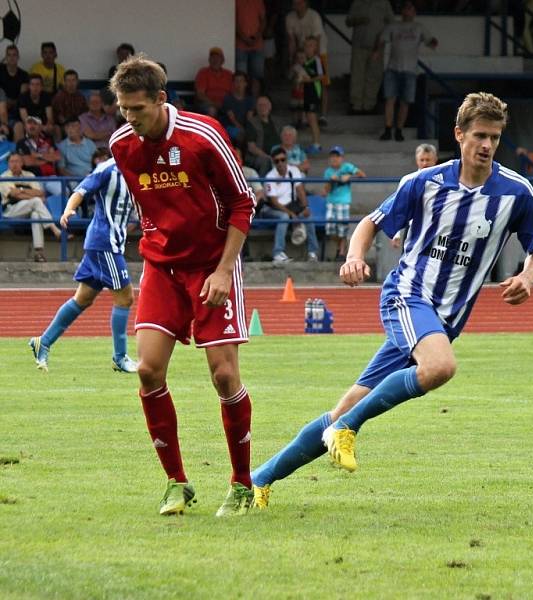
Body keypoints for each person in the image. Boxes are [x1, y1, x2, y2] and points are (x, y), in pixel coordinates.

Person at [249, 92, 533, 509]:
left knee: (342, 408)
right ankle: (347, 430)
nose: (487, 145)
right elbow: (368, 225)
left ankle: (259, 480)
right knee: (440, 366)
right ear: (459, 134)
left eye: (495, 137)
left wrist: (529, 277)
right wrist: (354, 257)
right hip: (407, 295)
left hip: (445, 319)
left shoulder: (516, 193)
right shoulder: (422, 184)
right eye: (479, 135)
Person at [108, 55, 257, 517]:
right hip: (161, 268)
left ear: (160, 99)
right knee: (149, 371)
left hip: (213, 266)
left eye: (138, 109)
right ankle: (176, 482)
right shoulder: (120, 145)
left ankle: (242, 484)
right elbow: (147, 200)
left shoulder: (203, 136)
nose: (130, 119)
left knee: (224, 376)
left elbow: (241, 204)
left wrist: (222, 270)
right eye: (123, 109)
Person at [28, 152, 137, 374]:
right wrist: (69, 208)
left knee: (83, 298)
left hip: (107, 242)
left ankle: (43, 342)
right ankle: (119, 357)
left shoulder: (140, 168)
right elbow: (82, 189)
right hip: (105, 242)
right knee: (125, 298)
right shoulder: (109, 168)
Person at [376, 1, 438, 142]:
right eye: (405, 7)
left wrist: (433, 42)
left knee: (405, 101)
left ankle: (399, 130)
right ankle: (387, 129)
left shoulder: (419, 27)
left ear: (414, 12)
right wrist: (376, 52)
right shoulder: (393, 26)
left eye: (411, 8)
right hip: (392, 68)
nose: (408, 10)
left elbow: (430, 41)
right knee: (390, 99)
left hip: (410, 70)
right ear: (402, 11)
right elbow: (382, 40)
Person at [261, 145, 319, 262]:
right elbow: (274, 202)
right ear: (273, 162)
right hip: (272, 209)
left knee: (308, 216)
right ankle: (278, 253)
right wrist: (291, 214)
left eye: (283, 160)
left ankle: (312, 253)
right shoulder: (270, 177)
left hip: (291, 206)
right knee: (284, 217)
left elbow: (300, 191)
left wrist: (306, 207)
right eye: (277, 161)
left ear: (286, 159)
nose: (280, 163)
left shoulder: (294, 171)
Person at [0, 152, 62, 262]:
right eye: (12, 161)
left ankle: (39, 253)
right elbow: (14, 195)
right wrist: (30, 193)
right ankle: (55, 229)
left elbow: (40, 192)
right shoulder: (3, 177)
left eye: (17, 161)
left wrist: (21, 191)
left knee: (36, 214)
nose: (14, 164)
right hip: (11, 210)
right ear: (8, 163)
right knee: (37, 201)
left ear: (22, 163)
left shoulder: (30, 175)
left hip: (28, 210)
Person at [346, 0, 395, 115]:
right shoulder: (357, 3)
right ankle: (356, 105)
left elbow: (392, 23)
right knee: (357, 74)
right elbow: (348, 21)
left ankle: (369, 105)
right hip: (358, 45)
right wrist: (358, 20)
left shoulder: (384, 3)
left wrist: (383, 39)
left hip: (377, 46)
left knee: (374, 75)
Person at [285, 0, 329, 125]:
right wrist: (291, 58)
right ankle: (302, 115)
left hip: (319, 51)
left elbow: (317, 39)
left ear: (306, 3)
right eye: (295, 2)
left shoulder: (314, 16)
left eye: (300, 2)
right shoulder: (290, 17)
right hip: (302, 52)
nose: (297, 4)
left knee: (322, 83)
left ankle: (323, 115)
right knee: (299, 80)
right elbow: (291, 40)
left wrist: (315, 60)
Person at [390, 142, 437, 249]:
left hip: (436, 231)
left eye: (428, 160)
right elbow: (399, 208)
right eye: (422, 160)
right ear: (417, 160)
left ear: (435, 160)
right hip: (413, 230)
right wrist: (396, 233)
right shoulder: (408, 180)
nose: (425, 163)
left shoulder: (444, 181)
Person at [322, 145, 365, 260]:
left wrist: (349, 176)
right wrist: (331, 180)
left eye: (337, 156)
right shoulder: (328, 171)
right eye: (332, 156)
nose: (335, 159)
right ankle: (340, 247)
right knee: (330, 228)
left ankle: (341, 252)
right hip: (331, 201)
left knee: (342, 227)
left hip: (343, 201)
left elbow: (362, 174)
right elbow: (325, 190)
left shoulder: (347, 167)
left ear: (342, 158)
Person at [235, 0, 266, 94]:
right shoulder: (236, 1)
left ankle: (256, 101)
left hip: (257, 45)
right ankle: (241, 100)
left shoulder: (258, 1)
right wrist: (243, 37)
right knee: (241, 76)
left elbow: (263, 20)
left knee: (257, 75)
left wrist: (257, 36)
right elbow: (233, 21)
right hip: (240, 45)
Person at [245, 96, 280, 175]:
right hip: (256, 157)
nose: (262, 108)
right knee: (265, 161)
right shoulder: (252, 122)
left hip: (276, 154)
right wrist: (269, 157)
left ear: (270, 107)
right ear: (256, 108)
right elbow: (252, 147)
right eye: (260, 105)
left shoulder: (275, 122)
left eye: (265, 105)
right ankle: (262, 185)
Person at [193, 47, 233, 117]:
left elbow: (234, 93)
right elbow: (200, 94)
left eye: (218, 58)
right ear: (209, 60)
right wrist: (214, 104)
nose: (215, 60)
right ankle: (212, 128)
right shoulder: (203, 73)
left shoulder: (229, 74)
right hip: (208, 104)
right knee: (212, 110)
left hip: (226, 104)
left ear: (222, 60)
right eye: (213, 58)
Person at [221, 71, 255, 150]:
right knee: (241, 134)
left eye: (241, 81)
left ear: (246, 83)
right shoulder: (228, 98)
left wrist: (248, 129)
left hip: (244, 127)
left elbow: (249, 117)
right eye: (236, 81)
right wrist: (242, 129)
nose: (239, 84)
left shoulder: (250, 99)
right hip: (229, 127)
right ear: (233, 83)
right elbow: (232, 118)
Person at [301, 37, 323, 154]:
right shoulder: (305, 61)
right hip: (307, 92)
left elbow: (321, 76)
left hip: (314, 92)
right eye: (306, 45)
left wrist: (309, 80)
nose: (308, 48)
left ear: (315, 48)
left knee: (312, 118)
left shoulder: (316, 60)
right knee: (309, 118)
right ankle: (314, 142)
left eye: (311, 45)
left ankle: (317, 144)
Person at [16, 74, 54, 141]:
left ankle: (55, 150)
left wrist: (48, 125)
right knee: (20, 127)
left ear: (42, 86)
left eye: (37, 84)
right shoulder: (23, 97)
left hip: (42, 123)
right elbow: (26, 119)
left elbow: (50, 117)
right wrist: (41, 127)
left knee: (55, 128)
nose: (35, 87)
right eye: (32, 84)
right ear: (29, 86)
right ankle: (21, 149)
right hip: (27, 124)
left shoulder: (46, 96)